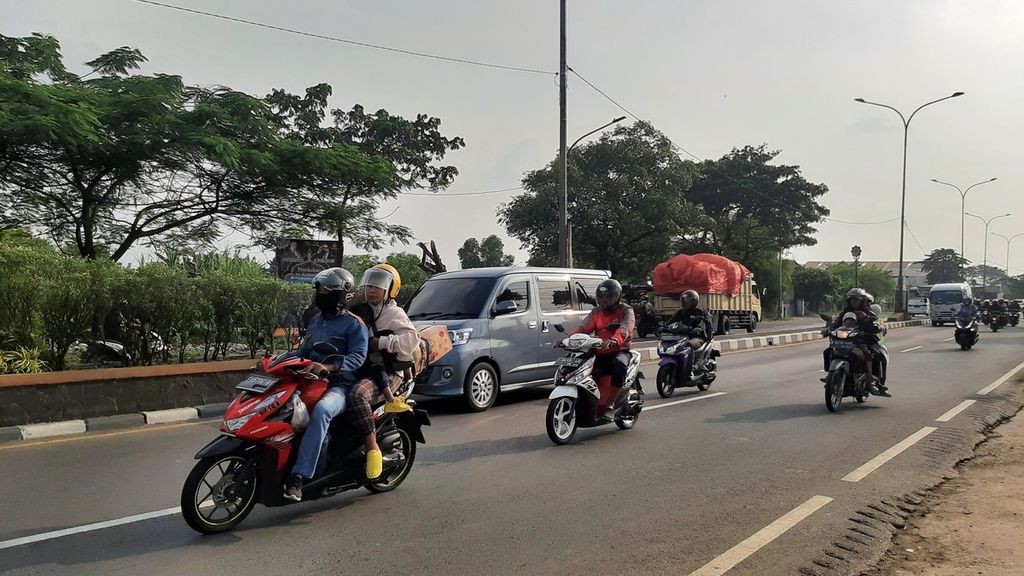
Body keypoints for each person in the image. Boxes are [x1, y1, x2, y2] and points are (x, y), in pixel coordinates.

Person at [284, 268, 368, 502]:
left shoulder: (354, 325)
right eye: (319, 289)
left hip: (340, 386)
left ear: (343, 294)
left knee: (321, 411)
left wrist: (329, 367)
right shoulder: (316, 321)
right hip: (310, 381)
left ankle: (299, 477)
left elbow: (358, 358)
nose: (321, 294)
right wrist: (275, 360)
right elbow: (303, 351)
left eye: (327, 290)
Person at [347, 264, 418, 480]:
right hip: (362, 366)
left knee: (357, 395)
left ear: (390, 290)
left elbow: (411, 340)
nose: (372, 290)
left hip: (389, 372)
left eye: (378, 286)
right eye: (370, 285)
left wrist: (382, 342)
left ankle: (372, 450)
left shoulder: (394, 313)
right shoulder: (360, 309)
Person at [575, 279, 635, 419]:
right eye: (601, 296)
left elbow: (625, 328)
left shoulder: (626, 310)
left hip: (619, 350)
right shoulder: (596, 311)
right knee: (580, 365)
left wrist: (615, 340)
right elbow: (584, 327)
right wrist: (570, 339)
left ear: (617, 297)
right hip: (599, 350)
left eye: (608, 297)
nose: (604, 300)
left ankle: (610, 404)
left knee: (618, 366)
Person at [823, 288, 886, 396]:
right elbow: (836, 323)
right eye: (852, 300)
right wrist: (829, 329)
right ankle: (830, 374)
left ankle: (870, 378)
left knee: (871, 354)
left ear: (862, 301)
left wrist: (869, 322)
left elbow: (876, 324)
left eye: (857, 300)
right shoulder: (845, 312)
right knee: (828, 351)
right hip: (845, 340)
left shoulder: (867, 312)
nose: (854, 302)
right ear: (849, 301)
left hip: (862, 340)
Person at [665, 290, 713, 378]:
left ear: (694, 301)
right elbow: (670, 322)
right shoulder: (680, 312)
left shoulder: (700, 311)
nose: (685, 302)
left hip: (698, 337)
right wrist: (663, 328)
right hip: (682, 336)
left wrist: (699, 329)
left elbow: (706, 323)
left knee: (689, 345)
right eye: (683, 300)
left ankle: (691, 369)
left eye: (687, 300)